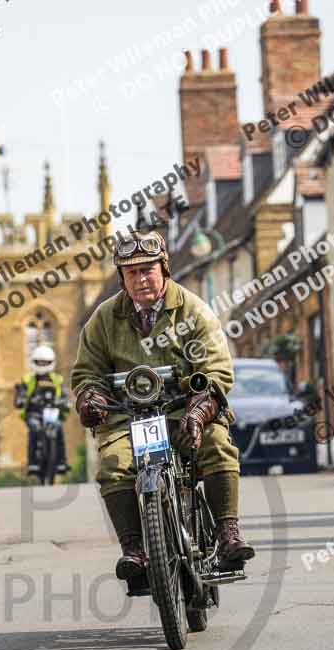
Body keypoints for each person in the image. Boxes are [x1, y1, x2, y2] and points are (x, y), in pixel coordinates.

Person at [71, 230, 255, 579]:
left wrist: (200, 410)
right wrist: (91, 397)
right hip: (128, 420)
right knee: (112, 464)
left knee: (217, 445)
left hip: (183, 414)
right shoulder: (103, 320)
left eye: (147, 270)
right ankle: (135, 550)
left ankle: (228, 533)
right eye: (131, 273)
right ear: (122, 278)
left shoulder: (193, 310)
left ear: (164, 268)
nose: (141, 279)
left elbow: (215, 367)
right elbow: (86, 372)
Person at [15, 345, 70, 475]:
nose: (42, 364)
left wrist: (66, 402)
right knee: (34, 430)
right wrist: (21, 399)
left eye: (45, 362)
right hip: (33, 413)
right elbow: (20, 394)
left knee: (58, 429)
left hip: (52, 411)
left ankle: (61, 462)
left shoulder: (58, 379)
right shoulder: (27, 379)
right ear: (34, 362)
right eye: (40, 362)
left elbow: (64, 394)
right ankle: (33, 463)